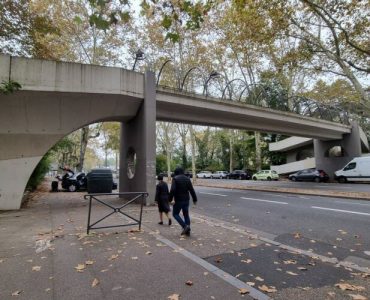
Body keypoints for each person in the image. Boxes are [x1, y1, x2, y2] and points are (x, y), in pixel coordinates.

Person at [169, 167, 197, 236]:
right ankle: (188, 232)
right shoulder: (187, 179)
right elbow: (191, 190)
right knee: (186, 214)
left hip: (178, 200)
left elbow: (172, 190)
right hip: (186, 200)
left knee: (175, 214)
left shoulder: (175, 179)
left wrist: (170, 199)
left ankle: (185, 226)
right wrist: (194, 199)